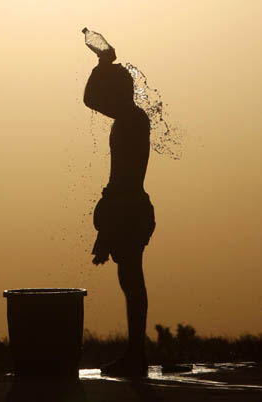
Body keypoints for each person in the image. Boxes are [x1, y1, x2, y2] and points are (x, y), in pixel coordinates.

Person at [84, 58, 156, 377]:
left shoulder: (131, 120)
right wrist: (102, 65)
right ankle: (135, 353)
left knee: (132, 279)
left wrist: (108, 230)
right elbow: (90, 99)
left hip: (128, 208)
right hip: (128, 207)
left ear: (119, 93)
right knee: (130, 279)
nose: (105, 101)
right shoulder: (129, 117)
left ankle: (136, 355)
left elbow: (124, 178)